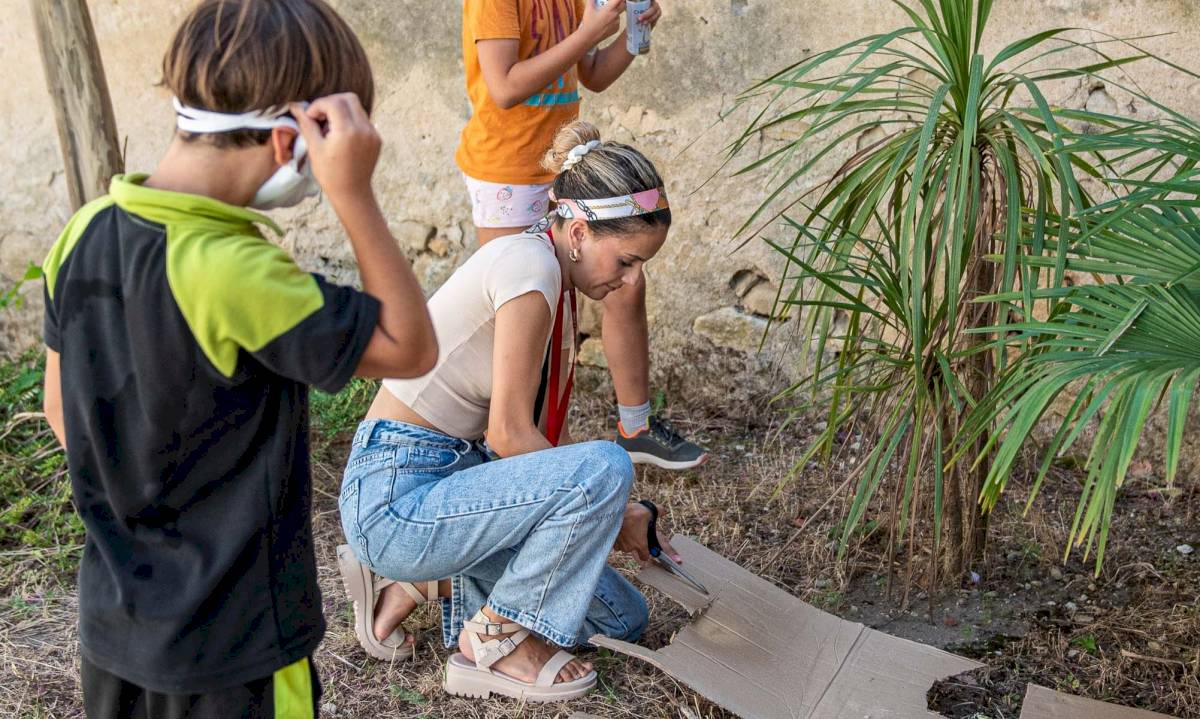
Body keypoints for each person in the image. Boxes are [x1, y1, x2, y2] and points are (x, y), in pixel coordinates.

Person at [39, 1, 437, 716]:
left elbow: (58, 411)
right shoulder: (232, 269)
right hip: (237, 647)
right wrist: (355, 193)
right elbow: (411, 347)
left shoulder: (85, 230)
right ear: (292, 139)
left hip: (114, 630)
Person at [338, 121, 683, 702]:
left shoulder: (555, 282)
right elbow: (508, 435)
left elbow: (542, 463)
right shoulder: (531, 270)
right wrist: (617, 508)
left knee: (620, 619)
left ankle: (421, 582)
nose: (630, 281)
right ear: (578, 231)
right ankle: (493, 644)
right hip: (399, 491)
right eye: (626, 261)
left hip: (453, 485)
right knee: (606, 466)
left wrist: (601, 515)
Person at [458, 0, 709, 469]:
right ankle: (517, 443)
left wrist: (630, 38)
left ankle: (635, 426)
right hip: (507, 174)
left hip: (565, 167)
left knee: (626, 280)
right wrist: (585, 34)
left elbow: (591, 73)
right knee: (530, 314)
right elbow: (504, 86)